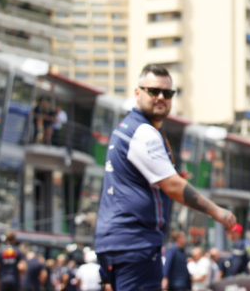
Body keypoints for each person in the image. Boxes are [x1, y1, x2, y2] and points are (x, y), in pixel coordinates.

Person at [94, 64, 236, 290]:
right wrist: (217, 211)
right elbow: (172, 185)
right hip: (135, 242)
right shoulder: (142, 133)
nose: (161, 97)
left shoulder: (126, 128)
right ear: (137, 92)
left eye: (167, 93)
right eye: (153, 91)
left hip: (114, 242)